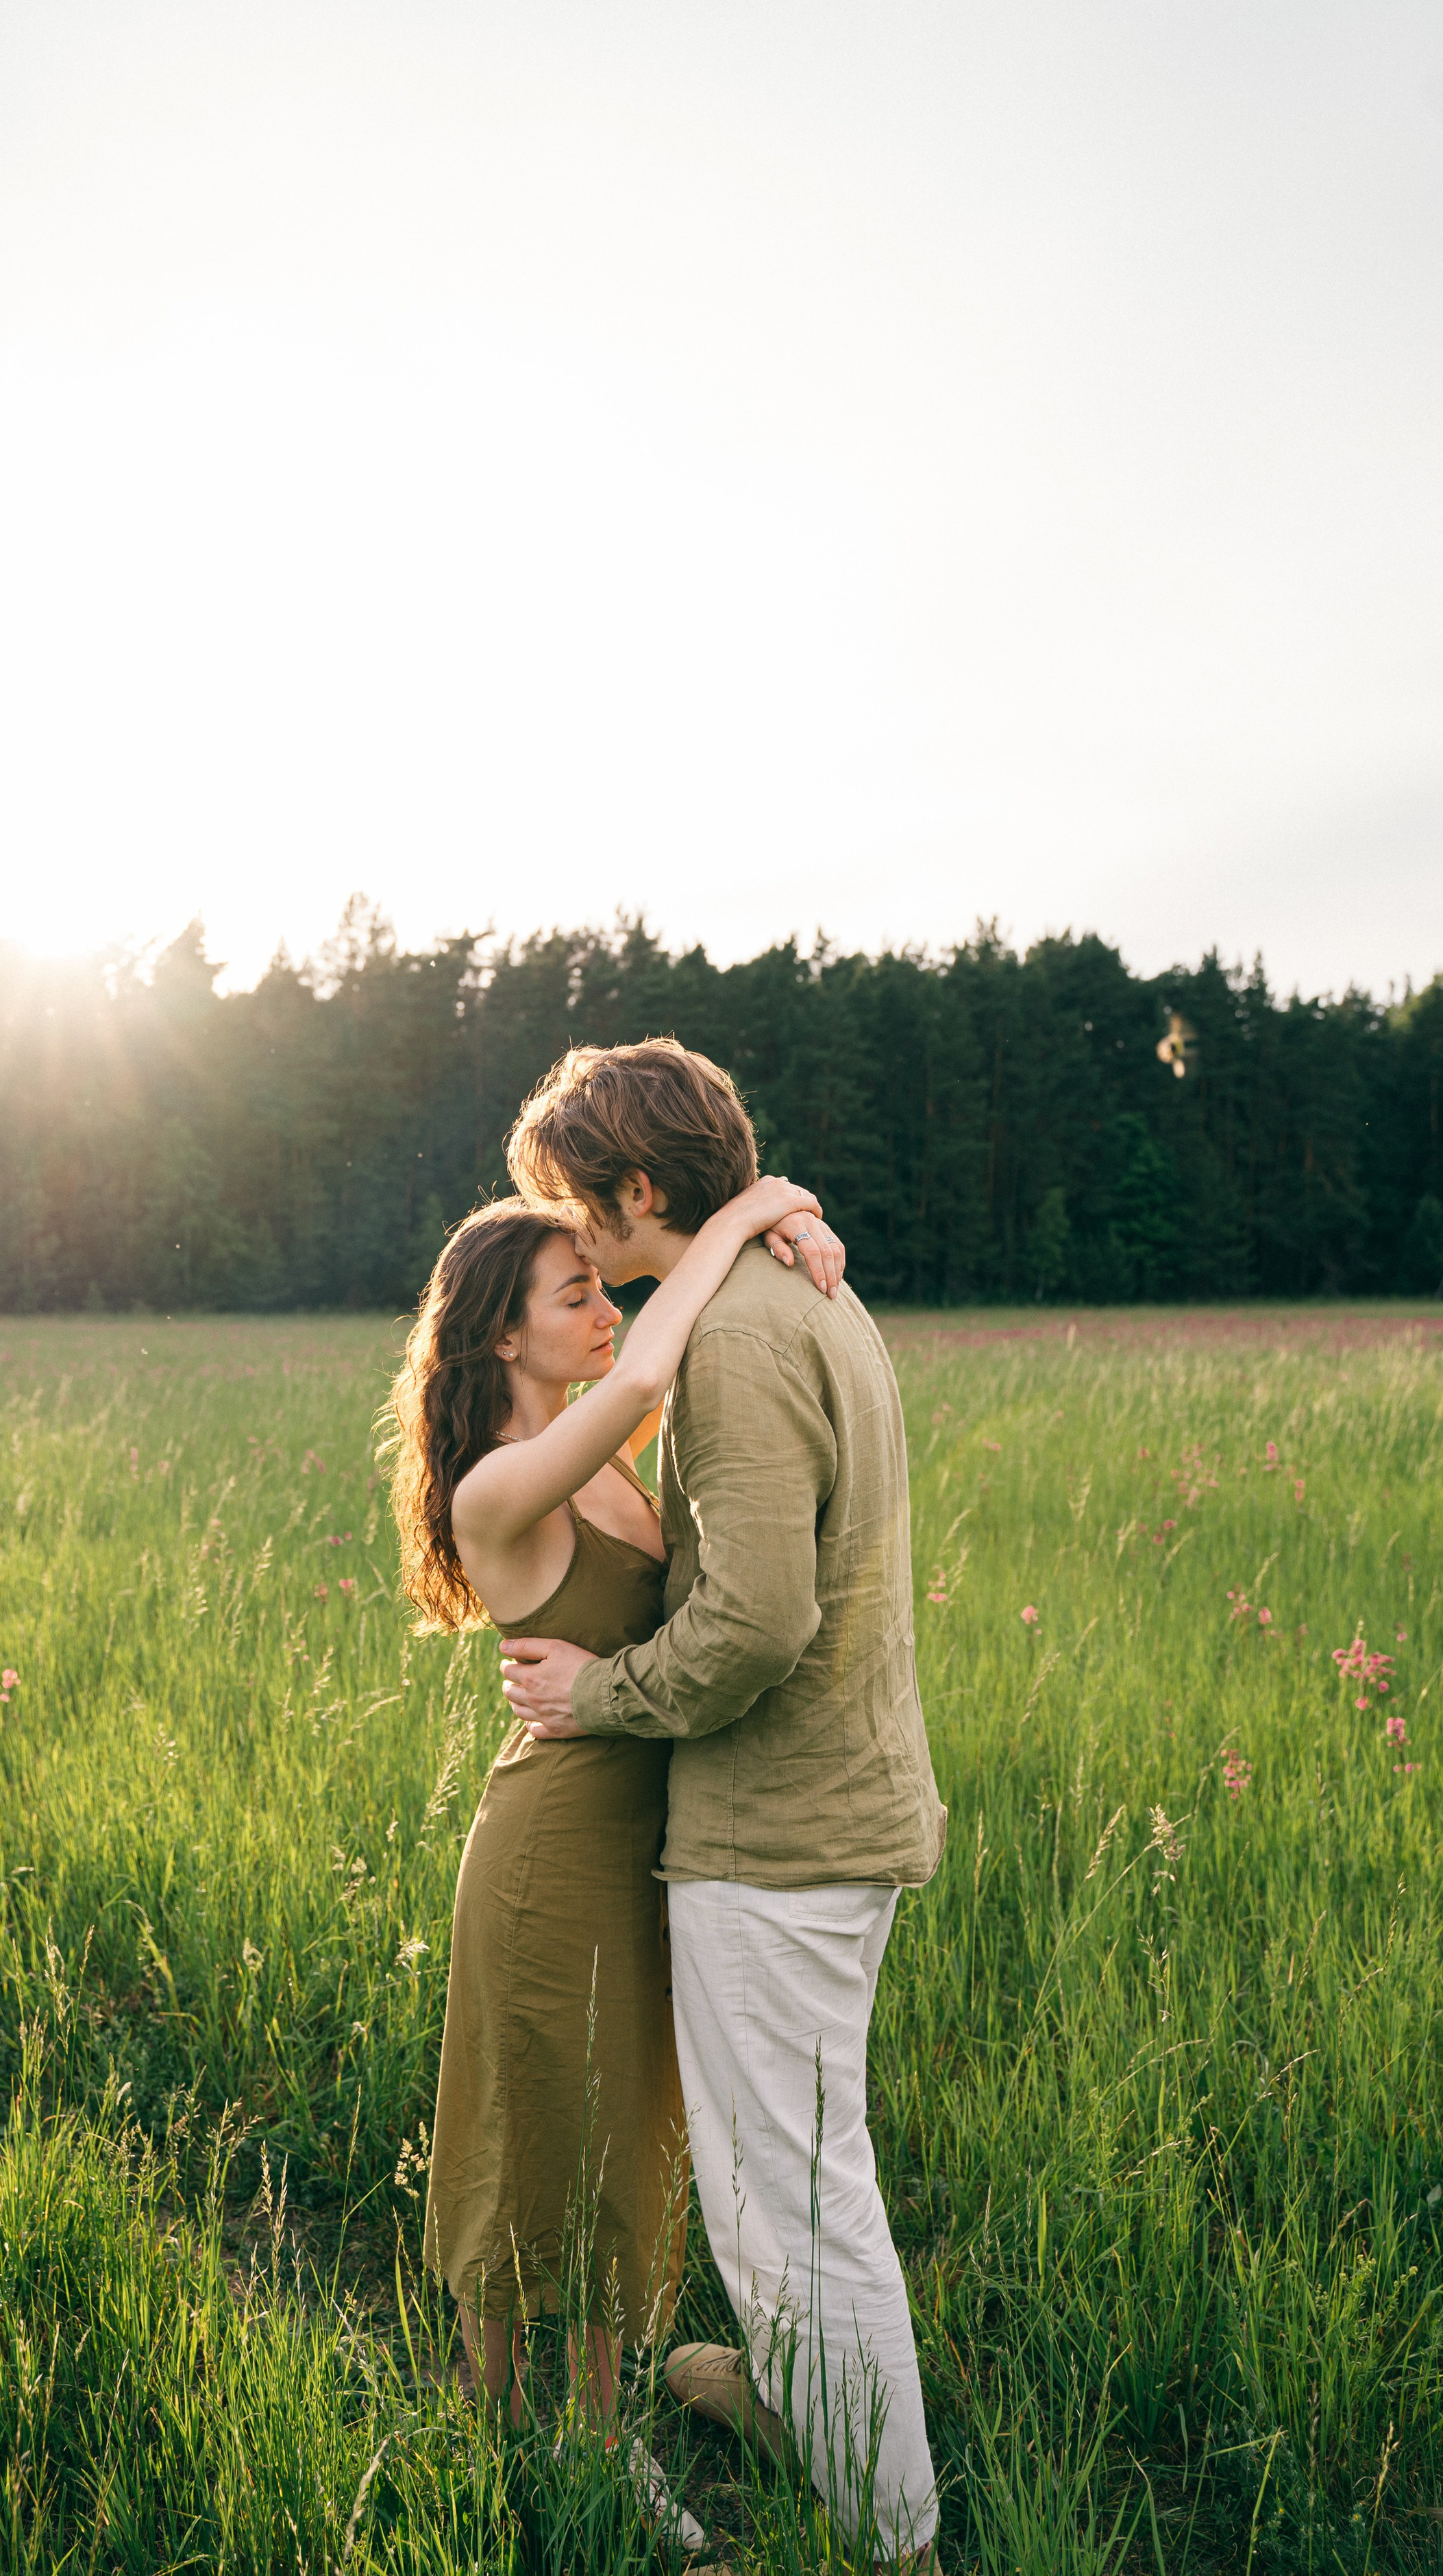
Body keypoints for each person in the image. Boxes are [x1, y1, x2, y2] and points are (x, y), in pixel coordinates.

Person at [500, 1038, 946, 2573]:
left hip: (781, 1835)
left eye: (585, 1212)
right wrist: (772, 1207)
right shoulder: (796, 1288)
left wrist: (597, 1697)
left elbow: (753, 1621)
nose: (584, 1249)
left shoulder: (744, 1339)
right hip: (826, 1811)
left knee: (788, 2194)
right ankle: (789, 2403)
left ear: (639, 1191)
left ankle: (892, 2535)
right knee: (784, 2166)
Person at [384, 1173, 844, 2537]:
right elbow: (650, 1366)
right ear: (499, 1338)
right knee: (552, 2140)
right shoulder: (500, 1487)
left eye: (602, 1281)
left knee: (608, 2140)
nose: (606, 1307)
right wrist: (753, 1197)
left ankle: (549, 2414)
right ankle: (570, 2457)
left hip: (637, 1854)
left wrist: (793, 1238)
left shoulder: (611, 1463)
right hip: (549, 1863)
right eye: (573, 1291)